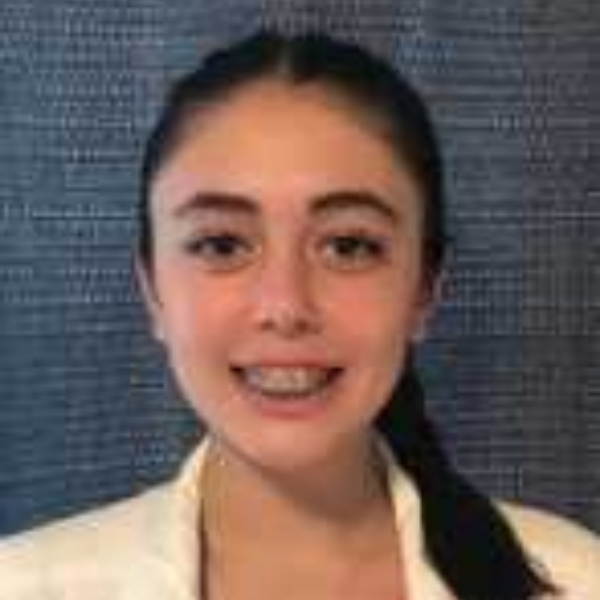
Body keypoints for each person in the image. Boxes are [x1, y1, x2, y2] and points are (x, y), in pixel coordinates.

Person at [0, 29, 598, 600]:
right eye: (222, 245)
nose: (285, 306)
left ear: (424, 290)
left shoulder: (577, 578)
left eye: (349, 246)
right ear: (153, 290)